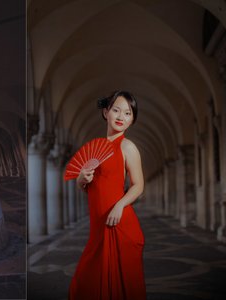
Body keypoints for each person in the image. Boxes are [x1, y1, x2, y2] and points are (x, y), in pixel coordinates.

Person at [68, 90, 146, 299]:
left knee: (123, 288)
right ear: (106, 112)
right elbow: (89, 188)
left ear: (132, 118)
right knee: (85, 283)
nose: (121, 117)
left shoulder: (128, 147)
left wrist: (120, 206)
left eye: (128, 113)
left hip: (119, 223)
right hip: (98, 228)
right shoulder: (96, 149)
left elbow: (138, 185)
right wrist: (80, 180)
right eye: (116, 110)